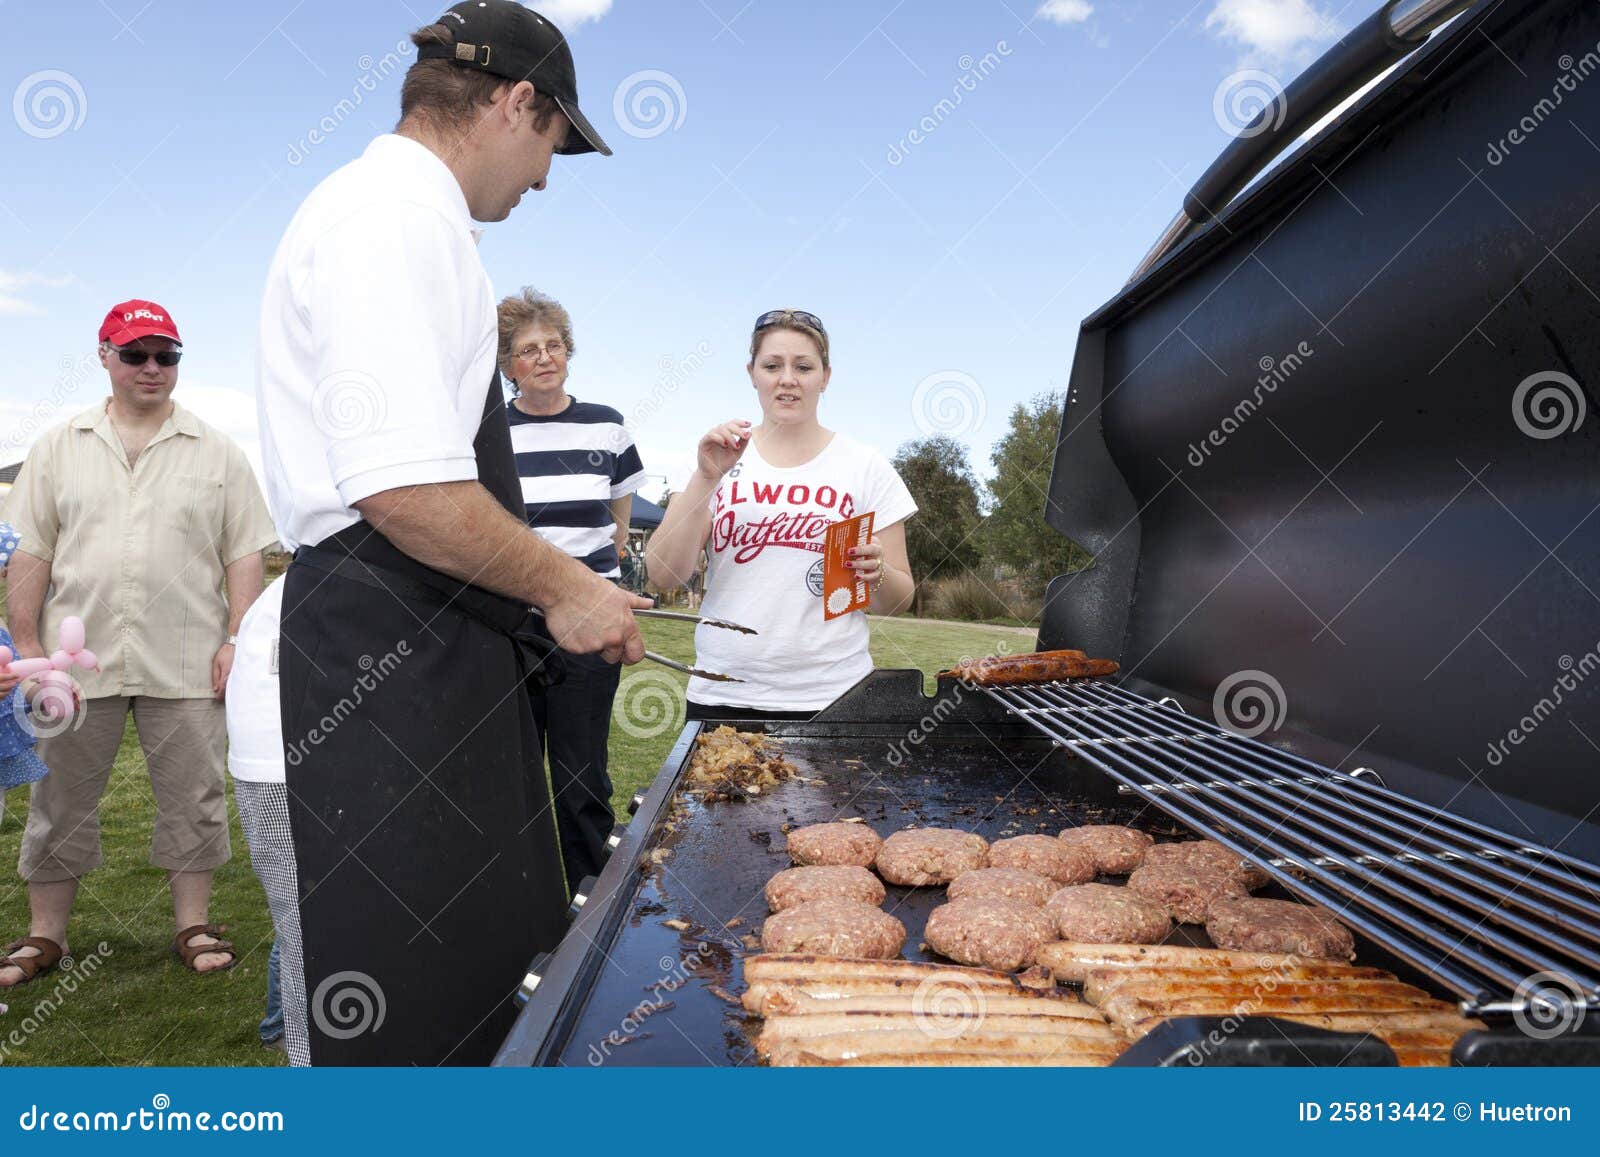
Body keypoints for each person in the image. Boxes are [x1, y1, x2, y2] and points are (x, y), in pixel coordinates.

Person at [255, 2, 649, 1065]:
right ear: (519, 104)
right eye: (555, 140)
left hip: (428, 647)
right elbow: (406, 490)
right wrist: (567, 586)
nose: (546, 175)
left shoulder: (414, 219)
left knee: (487, 988)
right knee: (407, 1017)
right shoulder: (389, 215)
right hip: (377, 657)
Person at [0, 300, 279, 989]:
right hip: (71, 666)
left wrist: (237, 635)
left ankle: (194, 923)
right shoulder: (59, 445)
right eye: (136, 354)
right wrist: (29, 648)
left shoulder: (217, 451)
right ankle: (46, 936)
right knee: (60, 796)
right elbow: (30, 553)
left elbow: (244, 551)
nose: (152, 368)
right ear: (105, 356)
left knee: (194, 795)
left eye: (166, 355)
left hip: (185, 656)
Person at [647, 309, 918, 721]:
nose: (787, 378)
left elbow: (900, 601)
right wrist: (705, 478)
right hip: (723, 694)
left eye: (803, 366)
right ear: (752, 373)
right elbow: (662, 574)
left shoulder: (866, 466)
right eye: (772, 365)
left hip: (834, 698)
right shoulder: (719, 457)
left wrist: (876, 572)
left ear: (825, 376)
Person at [500, 289, 646, 888]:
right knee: (511, 779)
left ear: (568, 352)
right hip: (509, 625)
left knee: (580, 775)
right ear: (508, 365)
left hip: (589, 624)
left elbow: (618, 515)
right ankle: (522, 912)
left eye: (554, 345)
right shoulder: (487, 432)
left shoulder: (606, 424)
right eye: (528, 349)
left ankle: (589, 908)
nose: (544, 357)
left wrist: (597, 570)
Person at [223, 573, 308, 1064]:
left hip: (285, 762)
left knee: (301, 914)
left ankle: (282, 1024)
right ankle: (290, 1035)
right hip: (283, 767)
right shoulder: (297, 594)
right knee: (303, 918)